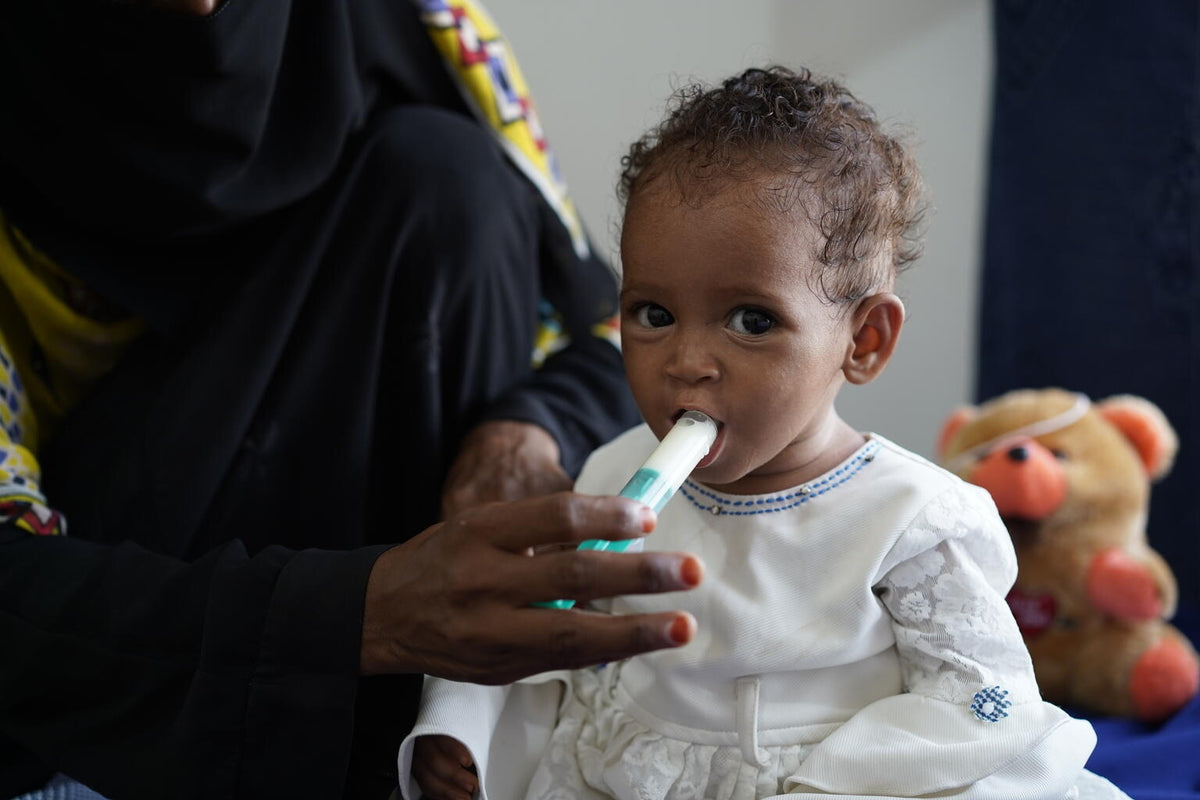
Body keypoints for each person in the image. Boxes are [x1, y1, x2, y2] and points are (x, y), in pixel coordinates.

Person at [0, 2, 706, 799]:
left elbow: (617, 329)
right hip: (122, 601)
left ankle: (435, 739)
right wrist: (358, 614)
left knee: (448, 179)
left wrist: (526, 427)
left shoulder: (413, 23)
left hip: (391, 639)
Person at [402, 66, 1131, 800]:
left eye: (752, 321)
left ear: (864, 340)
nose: (685, 363)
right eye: (653, 315)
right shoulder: (612, 478)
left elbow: (979, 708)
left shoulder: (911, 521)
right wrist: (461, 727)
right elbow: (541, 635)